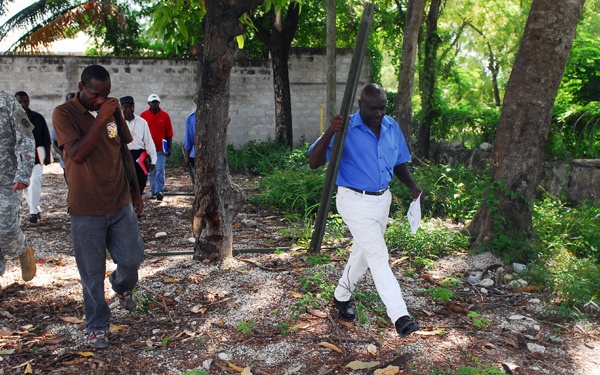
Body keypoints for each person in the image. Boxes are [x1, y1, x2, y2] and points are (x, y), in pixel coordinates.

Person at [308, 83, 421, 339]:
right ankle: (400, 316)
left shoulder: (391, 126)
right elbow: (314, 162)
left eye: (383, 108)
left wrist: (413, 186)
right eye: (373, 108)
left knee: (363, 252)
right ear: (361, 105)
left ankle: (340, 297)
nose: (379, 113)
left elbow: (399, 161)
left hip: (382, 200)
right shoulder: (345, 127)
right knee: (378, 255)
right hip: (354, 201)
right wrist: (329, 132)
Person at [52, 65, 145, 349]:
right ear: (81, 87)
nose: (101, 100)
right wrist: (101, 118)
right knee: (91, 275)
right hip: (86, 209)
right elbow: (77, 154)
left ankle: (121, 285)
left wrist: (136, 191)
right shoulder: (63, 114)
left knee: (133, 258)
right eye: (95, 94)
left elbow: (124, 152)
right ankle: (97, 326)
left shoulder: (112, 110)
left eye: (105, 95)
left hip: (120, 202)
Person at [0, 91, 37, 283]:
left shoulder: (8, 103)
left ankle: (22, 248)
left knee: (5, 228)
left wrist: (23, 173)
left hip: (7, 180)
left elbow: (26, 138)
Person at [15, 91, 51, 224]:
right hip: (18, 158)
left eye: (25, 101)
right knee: (24, 186)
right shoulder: (11, 119)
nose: (23, 104)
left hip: (36, 155)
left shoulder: (38, 117)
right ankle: (34, 207)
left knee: (35, 181)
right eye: (19, 102)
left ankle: (33, 213)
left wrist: (47, 156)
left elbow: (46, 138)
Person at [120, 96, 157, 196]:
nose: (128, 109)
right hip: (122, 157)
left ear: (134, 107)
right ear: (121, 107)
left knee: (140, 182)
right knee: (124, 185)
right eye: (125, 107)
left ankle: (137, 205)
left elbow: (148, 141)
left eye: (130, 107)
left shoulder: (142, 122)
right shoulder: (116, 122)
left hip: (139, 157)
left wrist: (153, 160)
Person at [140, 94, 173, 201]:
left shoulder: (165, 116)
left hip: (160, 149)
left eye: (156, 102)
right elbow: (140, 133)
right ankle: (153, 191)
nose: (155, 104)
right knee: (151, 170)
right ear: (148, 103)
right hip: (148, 150)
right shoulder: (143, 116)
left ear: (159, 103)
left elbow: (169, 133)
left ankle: (160, 190)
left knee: (159, 169)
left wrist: (169, 148)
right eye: (152, 102)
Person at [51, 92, 75, 183]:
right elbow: (55, 142)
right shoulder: (60, 119)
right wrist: (65, 156)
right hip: (67, 163)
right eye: (70, 101)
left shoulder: (84, 118)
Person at [183, 93, 199, 186]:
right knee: (197, 177)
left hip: (210, 155)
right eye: (198, 101)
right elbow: (188, 138)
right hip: (195, 154)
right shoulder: (191, 118)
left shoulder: (211, 117)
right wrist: (187, 156)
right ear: (195, 102)